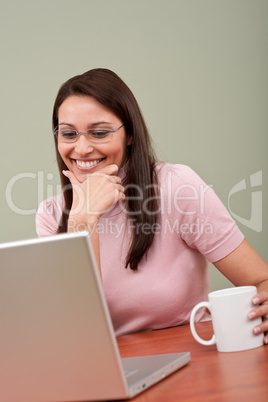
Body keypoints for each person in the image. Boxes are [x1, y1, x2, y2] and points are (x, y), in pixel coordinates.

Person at [36, 68, 268, 340]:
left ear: (130, 134)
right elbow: (77, 336)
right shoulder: (52, 215)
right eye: (69, 134)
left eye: (99, 133)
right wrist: (84, 219)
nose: (82, 148)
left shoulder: (176, 187)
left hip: (193, 363)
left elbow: (260, 280)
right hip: (111, 372)